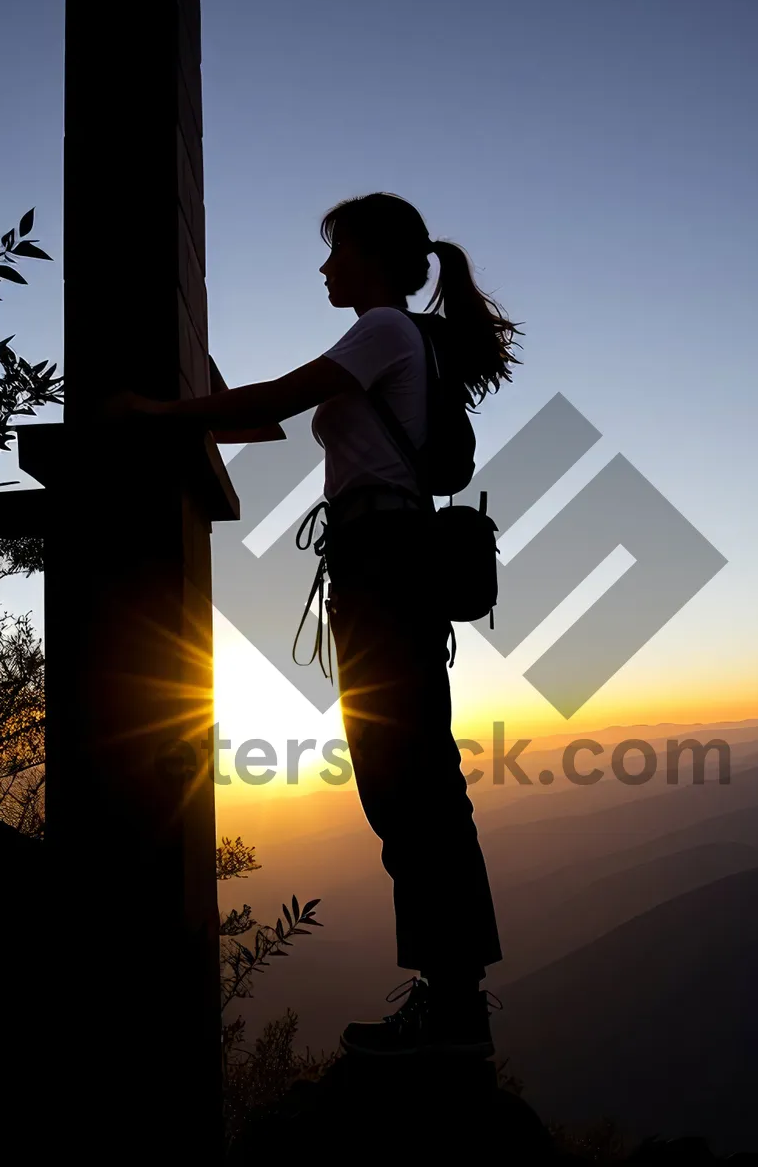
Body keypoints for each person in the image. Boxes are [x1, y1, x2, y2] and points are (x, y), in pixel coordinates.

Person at [108, 192, 521, 1056]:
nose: (326, 268)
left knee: (410, 780)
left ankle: (453, 1008)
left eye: (337, 253)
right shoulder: (387, 340)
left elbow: (287, 398)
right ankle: (449, 998)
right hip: (380, 568)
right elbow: (262, 422)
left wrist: (153, 415)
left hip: (384, 564)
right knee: (403, 777)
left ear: (373, 257)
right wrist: (198, 377)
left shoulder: (381, 331)